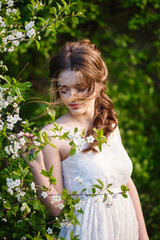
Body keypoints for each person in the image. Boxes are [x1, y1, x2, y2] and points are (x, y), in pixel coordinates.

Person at [22, 39, 149, 240]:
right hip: (88, 232)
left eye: (80, 88)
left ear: (97, 83)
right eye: (64, 89)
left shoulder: (110, 122)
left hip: (126, 229)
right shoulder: (52, 135)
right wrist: (37, 167)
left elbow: (125, 183)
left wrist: (144, 236)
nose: (71, 97)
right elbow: (57, 209)